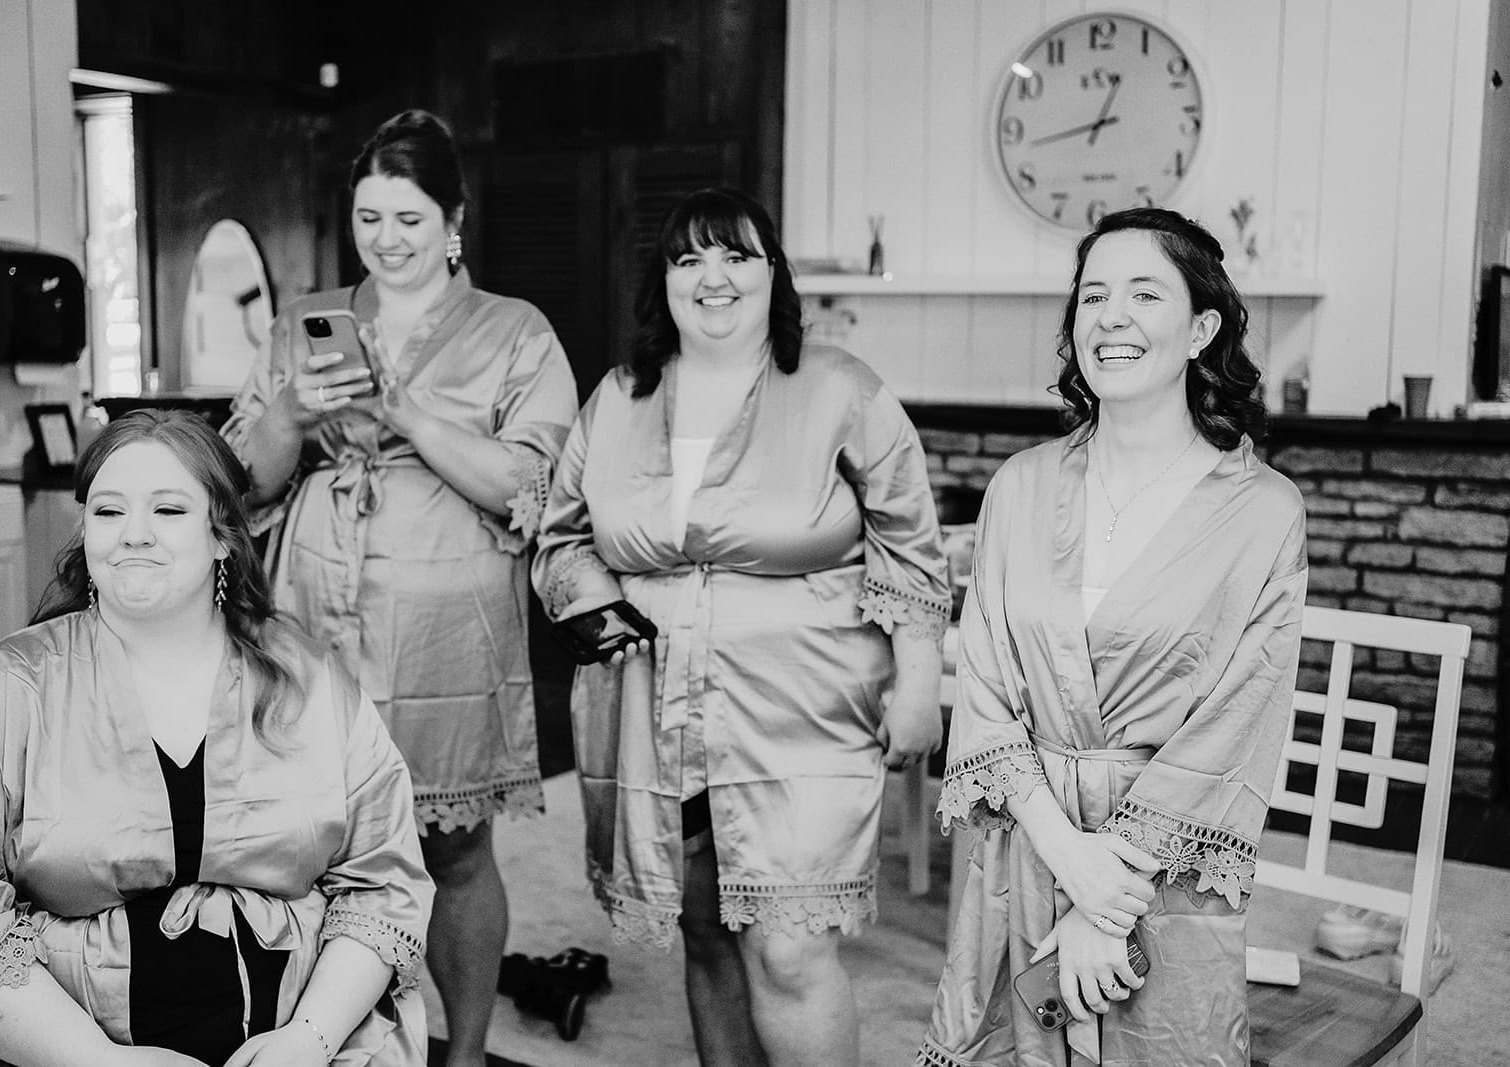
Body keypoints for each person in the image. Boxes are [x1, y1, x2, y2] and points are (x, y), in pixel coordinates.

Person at [533, 187, 951, 1067]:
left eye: (735, 255)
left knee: (789, 941)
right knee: (706, 927)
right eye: (688, 259)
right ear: (665, 282)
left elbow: (911, 544)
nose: (711, 276)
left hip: (805, 701)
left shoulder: (840, 387)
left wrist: (919, 682)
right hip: (654, 707)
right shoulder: (618, 397)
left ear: (774, 275)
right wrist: (592, 605)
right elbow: (562, 537)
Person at [0, 410, 432, 1067]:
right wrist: (101, 1063)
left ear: (222, 536)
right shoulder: (5, 691)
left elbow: (383, 884)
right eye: (107, 511)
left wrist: (310, 1039)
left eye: (167, 509)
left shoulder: (312, 682)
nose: (133, 535)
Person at [223, 110, 578, 1066]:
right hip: (313, 601)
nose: (385, 239)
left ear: (454, 219)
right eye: (369, 217)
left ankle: (460, 1051)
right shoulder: (306, 321)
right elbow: (245, 480)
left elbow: (531, 484)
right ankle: (329, 1039)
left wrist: (405, 410)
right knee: (309, 841)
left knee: (451, 846)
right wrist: (292, 415)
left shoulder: (515, 331)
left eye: (409, 219)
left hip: (445, 617)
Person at [918, 207, 1309, 1066]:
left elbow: (1236, 724)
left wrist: (1106, 895)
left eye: (1143, 292)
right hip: (1025, 842)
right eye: (1092, 295)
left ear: (1202, 327)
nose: (1110, 316)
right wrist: (1068, 857)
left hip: (1163, 872)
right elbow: (983, 687)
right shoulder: (1018, 487)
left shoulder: (1264, 512)